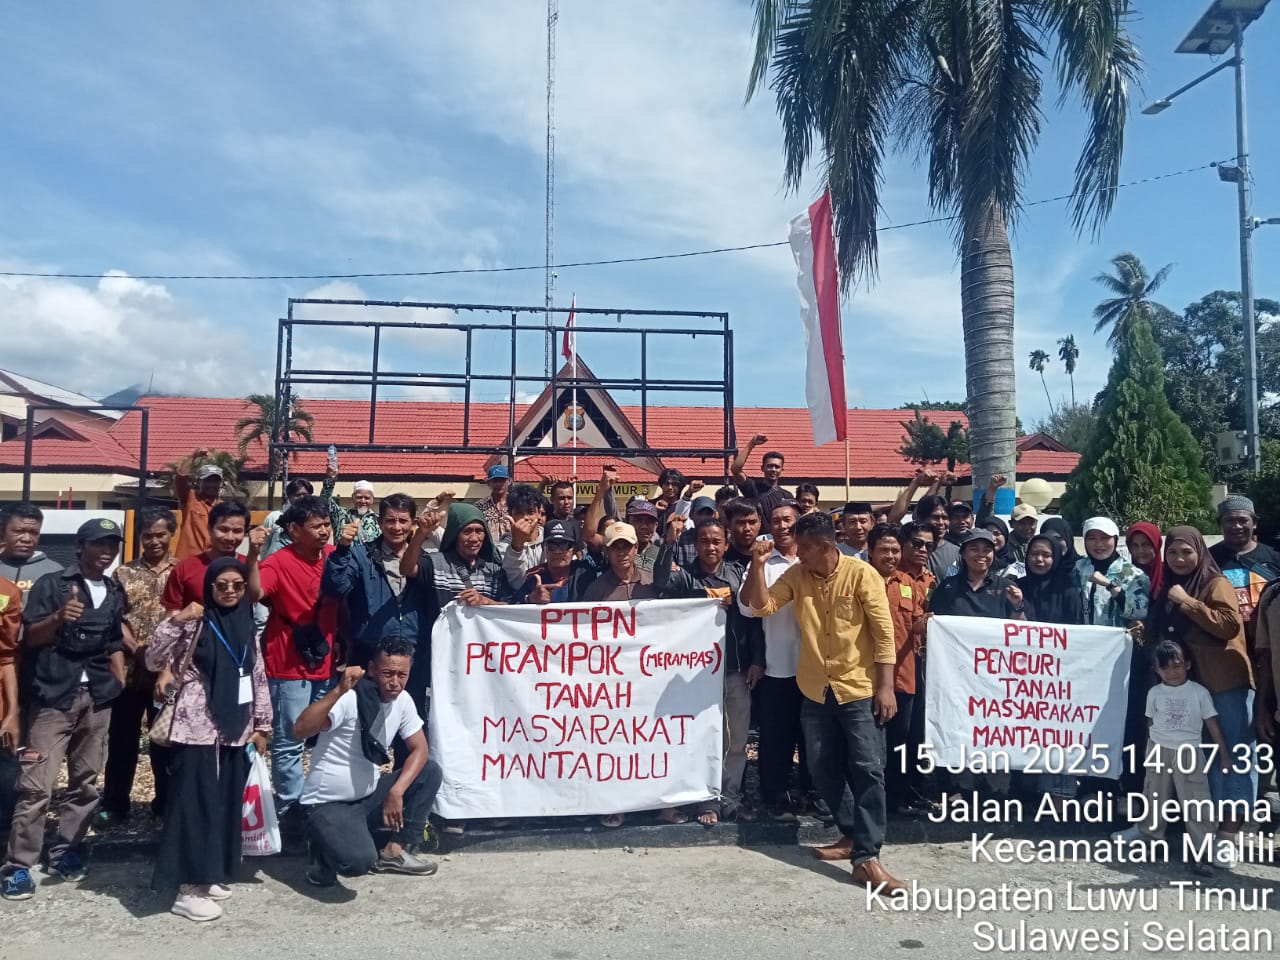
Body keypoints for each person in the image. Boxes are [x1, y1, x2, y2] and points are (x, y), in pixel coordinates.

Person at [741, 512, 903, 890]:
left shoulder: (863, 575)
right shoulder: (797, 576)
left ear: (825, 547)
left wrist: (885, 687)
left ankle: (868, 856)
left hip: (859, 688)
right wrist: (757, 565)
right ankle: (850, 834)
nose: (798, 555)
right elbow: (760, 606)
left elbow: (883, 636)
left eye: (804, 549)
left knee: (867, 769)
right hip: (815, 689)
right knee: (821, 766)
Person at [2, 519, 127, 900]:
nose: (106, 550)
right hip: (55, 697)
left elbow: (114, 637)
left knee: (85, 782)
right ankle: (19, 865)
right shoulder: (52, 585)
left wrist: (119, 676)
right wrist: (59, 618)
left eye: (112, 544)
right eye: (98, 543)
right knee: (36, 786)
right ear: (81, 546)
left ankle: (66, 849)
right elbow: (30, 638)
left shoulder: (113, 588)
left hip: (98, 698)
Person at [146, 558, 272, 921]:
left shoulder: (245, 621)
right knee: (195, 804)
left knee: (223, 804)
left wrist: (262, 723)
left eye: (236, 585)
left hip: (235, 728)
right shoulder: (196, 622)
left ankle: (209, 871)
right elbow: (155, 659)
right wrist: (177, 619)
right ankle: (188, 888)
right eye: (221, 586)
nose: (230, 591)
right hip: (197, 726)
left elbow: (257, 672)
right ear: (209, 588)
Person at [1147, 526, 1255, 865]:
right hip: (1187, 687)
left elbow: (1228, 625)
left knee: (1232, 758)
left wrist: (1187, 602)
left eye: (1186, 552)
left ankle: (1228, 835)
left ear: (1200, 552)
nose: (1179, 559)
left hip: (1224, 684)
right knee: (1201, 763)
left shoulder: (1214, 583)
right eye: (1173, 553)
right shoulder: (1169, 587)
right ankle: (1203, 835)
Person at [296, 642, 443, 887]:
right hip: (329, 803)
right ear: (373, 670)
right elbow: (300, 729)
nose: (395, 681)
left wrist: (396, 790)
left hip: (367, 797)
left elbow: (420, 749)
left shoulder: (403, 700)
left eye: (402, 674)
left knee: (430, 771)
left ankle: (393, 853)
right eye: (388, 673)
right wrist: (338, 691)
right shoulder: (351, 699)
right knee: (358, 862)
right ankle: (322, 855)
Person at [655, 514, 764, 825]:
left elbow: (754, 619)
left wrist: (757, 660)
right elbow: (661, 579)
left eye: (717, 541)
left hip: (735, 670)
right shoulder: (685, 577)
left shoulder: (738, 574)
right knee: (698, 738)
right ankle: (702, 799)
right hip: (695, 675)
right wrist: (669, 542)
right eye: (704, 541)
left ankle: (729, 798)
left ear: (726, 544)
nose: (710, 547)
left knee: (736, 739)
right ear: (695, 545)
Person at [246, 496, 337, 826]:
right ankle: (290, 810)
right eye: (316, 526)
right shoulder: (278, 562)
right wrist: (255, 553)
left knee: (321, 736)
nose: (324, 531)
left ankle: (315, 802)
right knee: (289, 741)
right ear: (295, 530)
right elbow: (255, 593)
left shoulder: (332, 557)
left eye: (327, 524)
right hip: (287, 663)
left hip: (324, 661)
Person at [1110, 639, 1232, 876]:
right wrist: (1147, 751)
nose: (1172, 672)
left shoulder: (1199, 692)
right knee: (1154, 796)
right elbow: (1150, 722)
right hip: (1158, 748)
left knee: (1196, 801)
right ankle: (1150, 838)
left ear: (1187, 664)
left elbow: (1212, 724)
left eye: (1177, 666)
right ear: (1156, 670)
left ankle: (1202, 849)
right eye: (1165, 668)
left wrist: (1224, 754)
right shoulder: (1154, 692)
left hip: (1189, 751)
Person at [100, 507, 178, 825]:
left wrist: (161, 660)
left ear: (172, 534)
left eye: (161, 534)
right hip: (130, 672)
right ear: (140, 537)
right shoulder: (122, 574)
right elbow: (115, 618)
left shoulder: (182, 572)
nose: (154, 541)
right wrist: (136, 650)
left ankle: (166, 804)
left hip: (168, 674)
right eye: (148, 535)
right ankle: (116, 805)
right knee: (122, 741)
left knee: (165, 742)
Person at [740, 501, 816, 820]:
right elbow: (746, 609)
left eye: (788, 520)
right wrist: (757, 565)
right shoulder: (762, 562)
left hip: (817, 666)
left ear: (799, 524)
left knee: (815, 738)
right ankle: (775, 796)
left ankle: (815, 794)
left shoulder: (816, 559)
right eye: (775, 520)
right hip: (778, 665)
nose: (782, 526)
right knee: (775, 738)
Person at [321, 493, 432, 672]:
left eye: (403, 521)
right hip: (368, 656)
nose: (397, 527)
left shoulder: (426, 560)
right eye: (390, 520)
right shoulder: (360, 555)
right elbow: (335, 588)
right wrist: (341, 550)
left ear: (413, 523)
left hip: (412, 658)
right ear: (379, 522)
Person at [865, 524, 928, 817]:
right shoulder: (859, 579)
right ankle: (867, 802)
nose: (890, 556)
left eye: (894, 550)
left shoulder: (908, 583)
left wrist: (928, 622)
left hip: (904, 676)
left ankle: (896, 800)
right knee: (866, 745)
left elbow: (914, 625)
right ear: (870, 551)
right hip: (866, 677)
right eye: (883, 550)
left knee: (899, 744)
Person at [1209, 496, 1280, 650]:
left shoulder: (1274, 557)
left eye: (1243, 520)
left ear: (1254, 523)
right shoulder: (1208, 559)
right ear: (1220, 525)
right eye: (1230, 521)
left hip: (1270, 641)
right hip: (1227, 645)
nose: (1237, 526)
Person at [162, 500, 252, 611]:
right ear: (209, 528)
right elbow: (172, 614)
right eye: (223, 529)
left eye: (237, 531)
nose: (230, 537)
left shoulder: (251, 568)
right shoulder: (185, 568)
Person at [929, 529, 1026, 621]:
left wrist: (1017, 606)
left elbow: (1018, 629)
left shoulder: (1007, 587)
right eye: (974, 549)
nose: (981, 554)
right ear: (963, 553)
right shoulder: (947, 587)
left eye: (987, 550)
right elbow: (936, 624)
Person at [1072, 517, 1148, 628]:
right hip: (1083, 641)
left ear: (1115, 540)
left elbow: (1140, 612)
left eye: (1105, 538)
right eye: (1092, 538)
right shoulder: (1078, 569)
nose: (1098, 544)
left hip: (1116, 643)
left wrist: (1110, 585)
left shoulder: (1133, 575)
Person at [0, 502, 65, 601]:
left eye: (34, 533)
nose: (27, 539)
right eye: (19, 531)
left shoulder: (54, 571)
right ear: (2, 531)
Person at [731, 434, 793, 525]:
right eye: (769, 466)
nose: (773, 470)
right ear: (762, 468)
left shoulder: (787, 496)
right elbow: (735, 469)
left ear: (781, 470)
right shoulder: (752, 486)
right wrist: (751, 444)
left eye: (777, 467)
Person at [172, 452, 224, 561]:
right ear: (199, 482)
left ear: (221, 483)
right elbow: (180, 478)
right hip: (188, 561)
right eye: (207, 480)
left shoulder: (224, 508)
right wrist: (194, 456)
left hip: (213, 562)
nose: (212, 484)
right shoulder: (190, 498)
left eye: (216, 481)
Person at [260, 477, 315, 558]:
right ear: (289, 497)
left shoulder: (314, 519)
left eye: (305, 494)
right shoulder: (274, 517)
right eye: (298, 495)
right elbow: (264, 546)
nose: (302, 497)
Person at [672, 497, 720, 569]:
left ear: (715, 516)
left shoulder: (720, 540)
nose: (704, 518)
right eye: (700, 513)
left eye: (708, 514)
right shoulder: (679, 539)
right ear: (691, 514)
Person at [477, 465, 512, 544]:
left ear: (509, 481)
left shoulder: (516, 504)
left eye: (502, 480)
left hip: (512, 551)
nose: (499, 484)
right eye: (495, 481)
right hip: (488, 552)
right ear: (488, 483)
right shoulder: (480, 506)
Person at [722, 498, 762, 566]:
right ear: (729, 525)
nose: (747, 528)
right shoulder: (721, 561)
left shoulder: (771, 557)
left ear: (760, 523)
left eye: (752, 522)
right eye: (741, 523)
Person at [625, 498, 662, 573]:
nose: (644, 526)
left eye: (649, 522)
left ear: (656, 526)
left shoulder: (661, 556)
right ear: (627, 522)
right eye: (638, 520)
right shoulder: (619, 552)